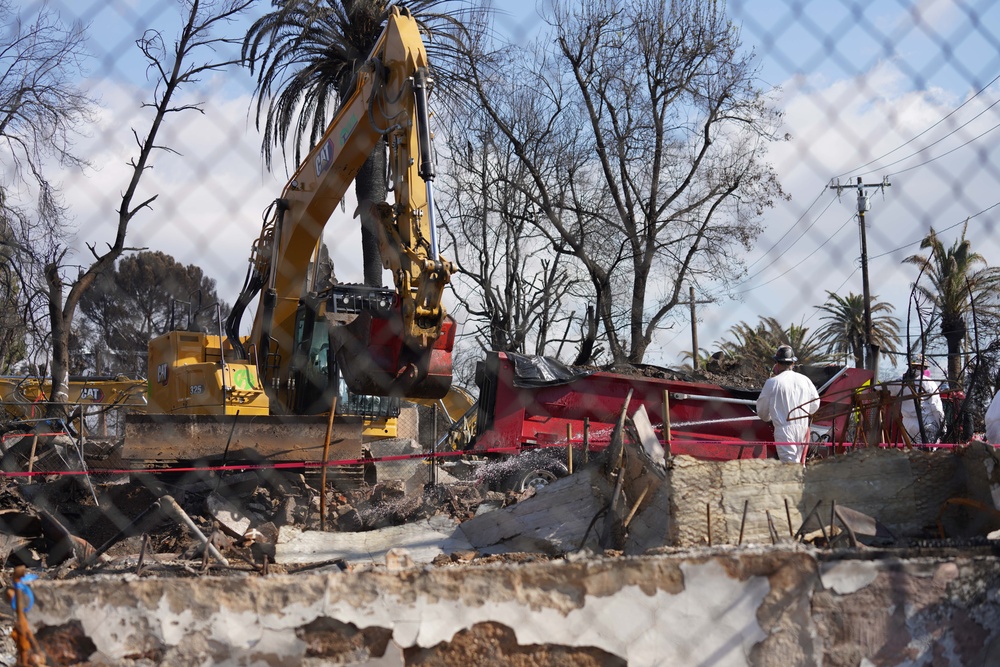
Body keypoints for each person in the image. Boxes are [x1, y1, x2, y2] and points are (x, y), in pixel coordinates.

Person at [756, 345, 821, 464]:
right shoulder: (805, 380)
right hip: (802, 428)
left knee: (790, 466)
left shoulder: (773, 382)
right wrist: (803, 413)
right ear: (792, 363)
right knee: (800, 464)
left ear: (777, 363)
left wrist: (771, 417)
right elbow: (815, 404)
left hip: (784, 430)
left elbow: (762, 411)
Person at [895, 355, 944, 444]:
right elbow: (936, 407)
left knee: (911, 453)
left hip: (907, 423)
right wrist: (942, 426)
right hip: (926, 422)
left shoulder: (899, 382)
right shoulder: (928, 383)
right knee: (927, 454)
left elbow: (882, 389)